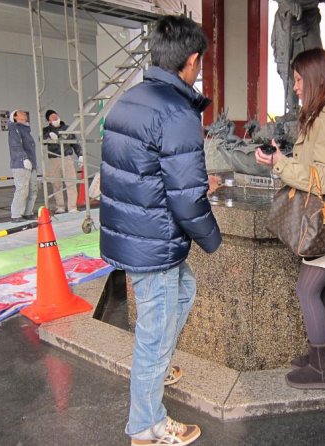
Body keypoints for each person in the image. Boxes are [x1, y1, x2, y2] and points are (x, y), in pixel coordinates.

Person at [99, 15, 221, 446]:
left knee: (182, 295)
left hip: (132, 234)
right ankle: (147, 427)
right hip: (155, 241)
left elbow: (134, 171)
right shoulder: (177, 111)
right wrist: (212, 237)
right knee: (155, 330)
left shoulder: (129, 99)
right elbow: (187, 200)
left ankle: (157, 365)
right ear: (192, 60)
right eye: (200, 62)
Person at [255, 47, 325, 389]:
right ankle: (323, 358)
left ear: (316, 79)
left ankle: (322, 371)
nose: (296, 87)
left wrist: (280, 164)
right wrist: (284, 158)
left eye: (299, 79)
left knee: (306, 290)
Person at [271, 0, 325, 117]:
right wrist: (286, 3)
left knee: (313, 66)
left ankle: (314, 108)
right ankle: (292, 109)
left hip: (309, 18)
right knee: (285, 66)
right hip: (285, 19)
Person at [42, 110, 83, 214]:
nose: (55, 118)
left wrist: (80, 155)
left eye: (56, 115)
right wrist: (49, 137)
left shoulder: (67, 129)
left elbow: (75, 144)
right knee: (56, 183)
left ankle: (72, 207)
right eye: (52, 117)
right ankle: (60, 206)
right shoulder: (46, 130)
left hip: (67, 157)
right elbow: (42, 140)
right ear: (48, 121)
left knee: (71, 182)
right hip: (54, 159)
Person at [8, 109, 38, 223]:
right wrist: (24, 158)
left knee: (33, 189)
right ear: (15, 117)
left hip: (31, 164)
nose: (24, 113)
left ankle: (28, 212)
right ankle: (16, 215)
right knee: (22, 189)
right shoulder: (14, 127)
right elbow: (15, 145)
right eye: (21, 112)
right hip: (21, 164)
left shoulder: (26, 129)